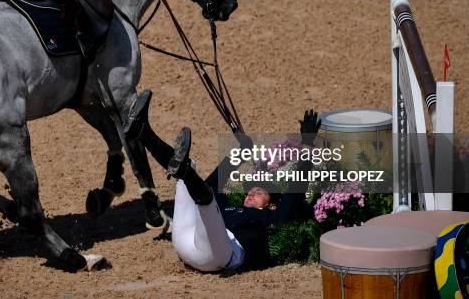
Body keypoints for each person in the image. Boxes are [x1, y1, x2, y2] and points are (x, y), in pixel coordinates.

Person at [123, 89, 321, 271]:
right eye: (252, 191)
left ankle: (168, 154)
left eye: (260, 192)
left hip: (218, 257)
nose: (251, 193)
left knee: (205, 198)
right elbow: (211, 183)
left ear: (271, 206)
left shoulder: (269, 220)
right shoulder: (227, 207)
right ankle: (142, 132)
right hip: (185, 242)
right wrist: (239, 154)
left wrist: (307, 145)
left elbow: (296, 189)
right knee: (187, 177)